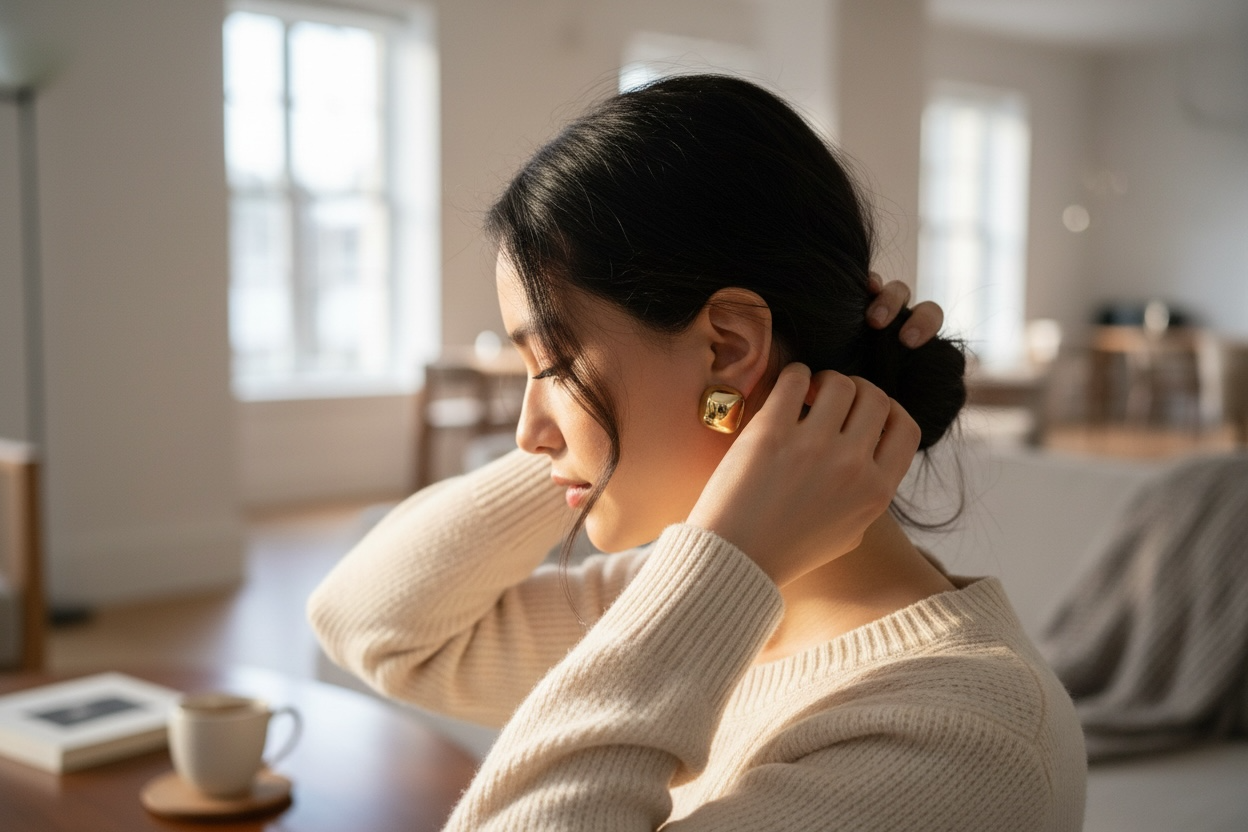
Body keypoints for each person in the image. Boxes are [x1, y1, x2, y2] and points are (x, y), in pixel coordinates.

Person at [309, 75, 1086, 831]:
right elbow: (367, 620)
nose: (526, 431)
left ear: (728, 346)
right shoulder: (692, 600)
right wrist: (632, 458)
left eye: (554, 367)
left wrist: (715, 532)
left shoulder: (961, 742)